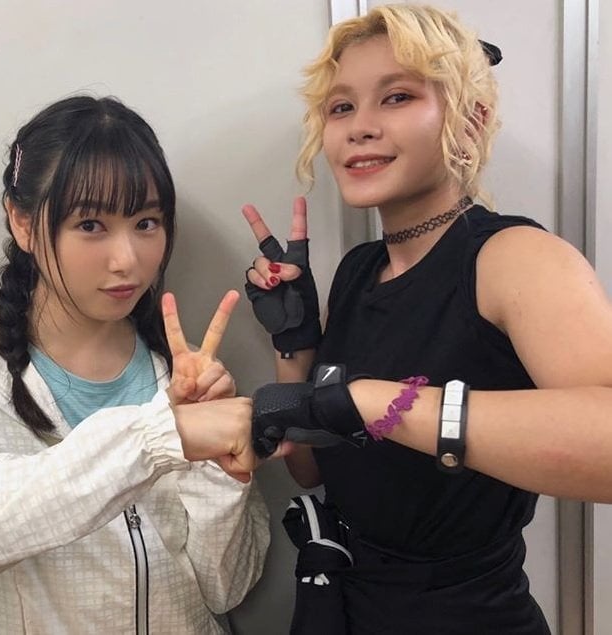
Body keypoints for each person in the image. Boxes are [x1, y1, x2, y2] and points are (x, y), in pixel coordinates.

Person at [242, 4, 612, 634]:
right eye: (341, 107)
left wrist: (375, 402)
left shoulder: (513, 257)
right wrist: (294, 345)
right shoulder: (357, 272)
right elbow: (314, 470)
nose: (360, 127)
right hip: (350, 610)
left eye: (397, 97)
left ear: (471, 120)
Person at [0, 95, 269, 634]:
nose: (127, 259)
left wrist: (219, 477)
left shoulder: (183, 379)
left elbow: (226, 588)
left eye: (146, 222)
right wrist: (152, 441)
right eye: (91, 224)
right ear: (23, 223)